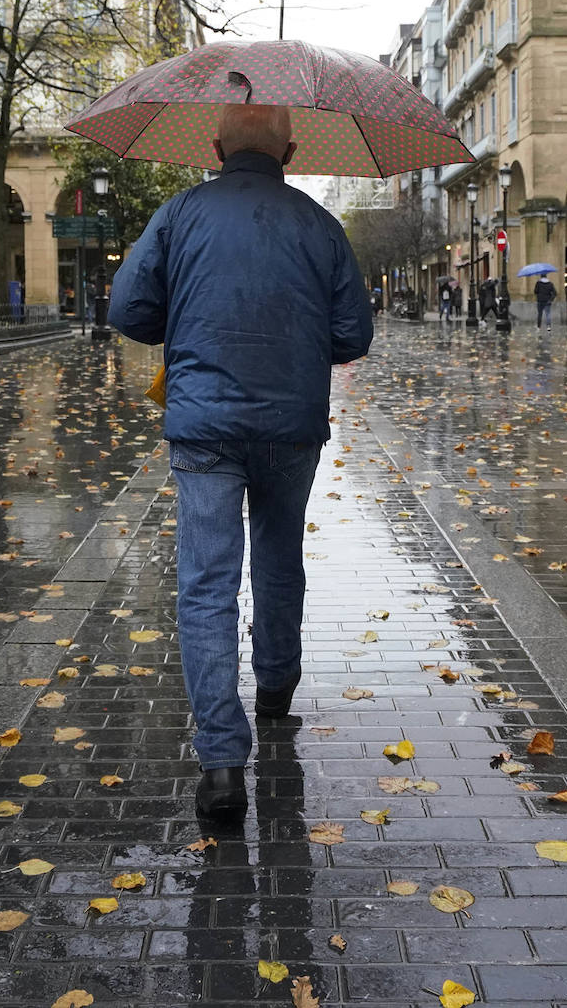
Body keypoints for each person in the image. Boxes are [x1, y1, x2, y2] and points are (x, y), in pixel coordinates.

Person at [108, 104, 373, 821]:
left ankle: (222, 765)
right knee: (280, 558)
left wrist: (190, 316)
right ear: (289, 149)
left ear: (217, 145)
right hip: (291, 425)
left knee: (205, 582)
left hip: (203, 427)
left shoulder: (179, 213)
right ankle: (276, 689)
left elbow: (128, 310)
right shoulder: (319, 224)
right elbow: (353, 336)